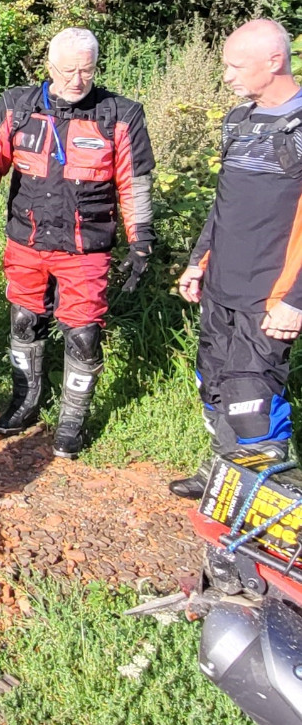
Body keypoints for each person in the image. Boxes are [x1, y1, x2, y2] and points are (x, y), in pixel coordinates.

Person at [0, 28, 156, 459]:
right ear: (49, 65)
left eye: (87, 70)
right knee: (24, 323)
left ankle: (71, 423)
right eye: (67, 70)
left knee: (82, 335)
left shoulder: (120, 114)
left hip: (86, 248)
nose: (77, 79)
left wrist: (141, 242)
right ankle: (24, 403)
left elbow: (134, 183)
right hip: (27, 240)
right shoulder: (17, 107)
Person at [170, 19, 302, 499]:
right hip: (222, 282)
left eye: (234, 65)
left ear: (274, 61)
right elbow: (225, 201)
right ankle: (223, 475)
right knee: (217, 384)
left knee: (253, 398)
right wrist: (197, 260)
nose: (226, 75)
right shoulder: (238, 120)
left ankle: (263, 505)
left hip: (271, 293)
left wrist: (297, 300)